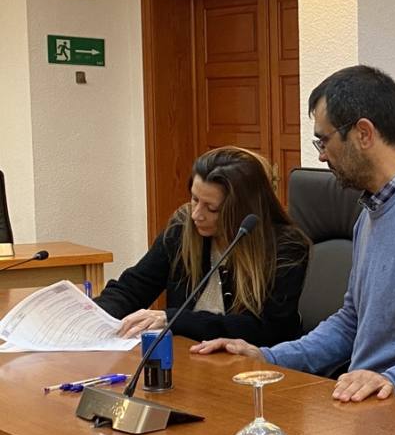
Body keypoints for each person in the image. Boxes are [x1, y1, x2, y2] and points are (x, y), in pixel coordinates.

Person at [191, 65, 395, 404]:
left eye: (324, 140)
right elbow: (351, 323)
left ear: (363, 133)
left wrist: (394, 380)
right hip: (367, 402)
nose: (321, 155)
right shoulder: (371, 213)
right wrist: (266, 357)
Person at [95, 146, 310, 346]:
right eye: (194, 199)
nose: (196, 214)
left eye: (211, 208)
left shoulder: (285, 247)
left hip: (252, 364)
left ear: (242, 210)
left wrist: (176, 320)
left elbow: (266, 330)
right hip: (188, 357)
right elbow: (133, 288)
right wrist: (92, 317)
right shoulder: (182, 227)